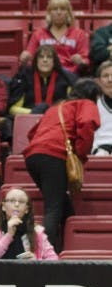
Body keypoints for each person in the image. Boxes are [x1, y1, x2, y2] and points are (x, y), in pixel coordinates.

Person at [24, 79, 101, 251]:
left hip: (33, 157)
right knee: (53, 208)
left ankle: (71, 248)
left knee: (62, 205)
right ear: (95, 96)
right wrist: (80, 155)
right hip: (54, 155)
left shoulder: (56, 108)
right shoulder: (86, 103)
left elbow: (32, 133)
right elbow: (87, 124)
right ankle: (45, 256)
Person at [0, 188, 58, 261]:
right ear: (3, 207)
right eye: (12, 201)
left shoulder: (37, 232)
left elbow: (54, 262)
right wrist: (8, 236)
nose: (16, 204)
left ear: (27, 209)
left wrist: (36, 262)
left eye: (21, 202)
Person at [20, 0, 90, 75]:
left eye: (63, 9)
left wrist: (81, 61)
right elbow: (29, 58)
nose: (59, 12)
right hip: (43, 75)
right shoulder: (38, 34)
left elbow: (86, 61)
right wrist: (25, 58)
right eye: (55, 9)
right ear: (49, 13)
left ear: (68, 13)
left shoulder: (79, 34)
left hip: (70, 76)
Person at [9, 46, 75, 116]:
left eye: (49, 57)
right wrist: (34, 113)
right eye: (41, 57)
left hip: (57, 120)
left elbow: (71, 109)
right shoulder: (24, 77)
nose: (45, 60)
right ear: (36, 61)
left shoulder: (65, 79)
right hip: (28, 120)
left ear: (54, 61)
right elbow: (13, 109)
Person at [92, 60, 112, 154]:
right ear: (98, 82)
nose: (110, 79)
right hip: (100, 149)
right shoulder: (93, 105)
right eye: (105, 76)